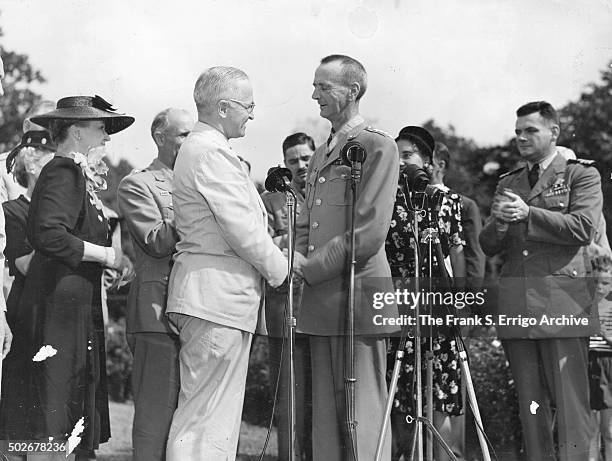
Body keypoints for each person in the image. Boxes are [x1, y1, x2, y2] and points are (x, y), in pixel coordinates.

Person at [0, 95, 134, 460]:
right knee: (53, 413)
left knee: (65, 410)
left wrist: (114, 260)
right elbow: (48, 233)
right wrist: (108, 255)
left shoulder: (75, 174)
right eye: (100, 129)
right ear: (76, 132)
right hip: (56, 312)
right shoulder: (64, 169)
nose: (106, 138)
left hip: (71, 309)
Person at [165, 66, 287, 461]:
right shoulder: (210, 152)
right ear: (222, 107)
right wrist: (282, 270)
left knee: (211, 420)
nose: (252, 113)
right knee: (204, 421)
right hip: (216, 300)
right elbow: (242, 228)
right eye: (248, 105)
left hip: (217, 299)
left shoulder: (205, 150)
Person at [480, 100, 602, 461]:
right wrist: (500, 223)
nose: (521, 137)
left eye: (530, 130)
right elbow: (488, 246)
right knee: (530, 408)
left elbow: (583, 228)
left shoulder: (581, 174)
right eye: (517, 131)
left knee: (570, 407)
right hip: (519, 307)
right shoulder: (510, 181)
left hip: (562, 304)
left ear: (554, 132)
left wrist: (529, 213)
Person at [292, 54, 399, 461]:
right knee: (326, 420)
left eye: (323, 86)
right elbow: (307, 222)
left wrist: (310, 269)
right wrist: (297, 261)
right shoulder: (321, 153)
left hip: (359, 297)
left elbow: (369, 232)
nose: (314, 95)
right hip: (322, 301)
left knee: (364, 414)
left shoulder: (377, 146)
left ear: (351, 91)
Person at [385, 127, 465, 461]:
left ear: (428, 162)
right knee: (402, 399)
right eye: (396, 157)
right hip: (398, 313)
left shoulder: (447, 202)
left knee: (440, 397)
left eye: (408, 155)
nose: (402, 163)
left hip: (438, 313)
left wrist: (459, 303)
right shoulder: (385, 202)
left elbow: (457, 255)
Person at [117, 108, 193, 461]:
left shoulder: (198, 181)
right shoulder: (138, 184)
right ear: (159, 137)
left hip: (198, 311)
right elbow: (157, 242)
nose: (190, 143)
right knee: (155, 418)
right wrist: (194, 203)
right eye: (182, 135)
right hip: (157, 317)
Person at [260, 132, 314, 460]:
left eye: (306, 158)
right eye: (293, 161)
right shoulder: (271, 200)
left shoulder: (327, 193)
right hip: (285, 307)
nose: (301, 165)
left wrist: (287, 244)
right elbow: (262, 249)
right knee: (290, 398)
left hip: (321, 307)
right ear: (285, 163)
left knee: (319, 397)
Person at [0, 100, 55, 204]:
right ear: (27, 126)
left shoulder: (63, 166)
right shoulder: (2, 168)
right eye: (45, 125)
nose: (51, 134)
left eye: (57, 128)